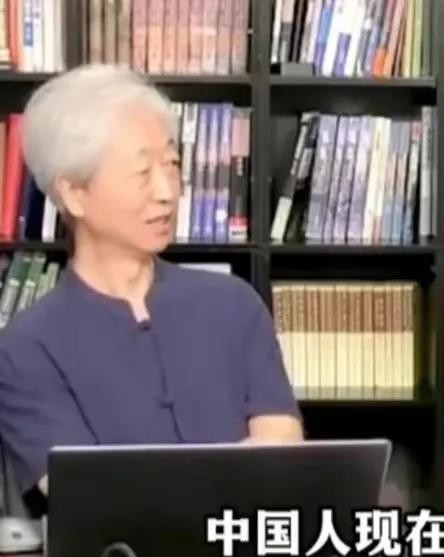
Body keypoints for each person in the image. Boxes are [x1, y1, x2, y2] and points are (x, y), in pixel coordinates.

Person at [0, 64, 304, 500]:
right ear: (74, 194)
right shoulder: (26, 348)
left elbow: (282, 457)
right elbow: (89, 498)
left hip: (245, 541)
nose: (167, 191)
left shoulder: (235, 305)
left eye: (172, 164)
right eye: (143, 172)